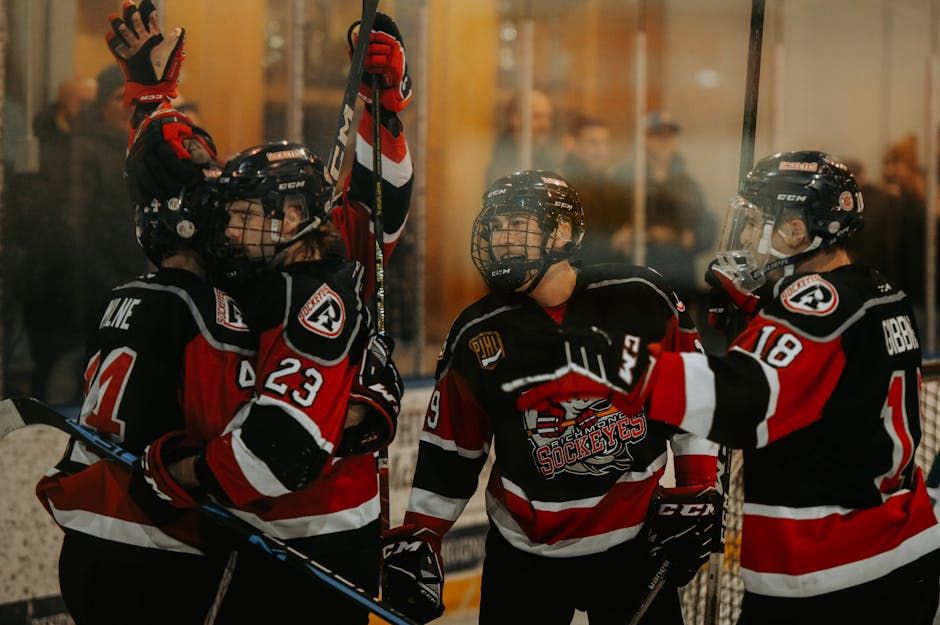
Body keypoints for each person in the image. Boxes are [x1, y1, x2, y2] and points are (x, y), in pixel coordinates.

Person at [517, 151, 940, 625]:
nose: (746, 237)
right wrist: (760, 312)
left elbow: (741, 401)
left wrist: (619, 362)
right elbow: (821, 375)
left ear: (797, 231)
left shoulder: (815, 304)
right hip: (898, 556)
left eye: (758, 223)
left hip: (831, 576)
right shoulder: (879, 292)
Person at [100, 3, 414, 624]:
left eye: (247, 213)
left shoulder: (333, 258)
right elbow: (171, 186)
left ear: (293, 215)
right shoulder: (244, 258)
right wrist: (151, 100)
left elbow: (383, 204)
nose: (230, 226)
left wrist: (386, 109)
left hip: (321, 527)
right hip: (242, 523)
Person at [381, 170, 718, 625]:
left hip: (634, 544)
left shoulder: (640, 297)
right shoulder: (477, 332)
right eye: (496, 226)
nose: (501, 239)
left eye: (517, 224)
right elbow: (451, 449)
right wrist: (423, 534)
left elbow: (694, 398)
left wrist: (697, 490)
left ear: (561, 231)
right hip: (524, 555)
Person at [35, 101, 254, 625]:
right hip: (155, 546)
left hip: (84, 541)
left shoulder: (120, 296)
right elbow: (227, 431)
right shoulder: (206, 311)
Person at [612, 110, 716, 302]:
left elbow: (707, 227)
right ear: (643, 140)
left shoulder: (687, 184)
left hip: (679, 283)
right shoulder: (623, 178)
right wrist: (618, 238)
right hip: (636, 279)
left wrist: (691, 238)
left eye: (670, 135)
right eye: (657, 135)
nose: (664, 141)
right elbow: (606, 230)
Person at [561, 115, 629, 265]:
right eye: (593, 143)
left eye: (605, 143)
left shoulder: (611, 185)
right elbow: (564, 243)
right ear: (574, 145)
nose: (601, 150)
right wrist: (610, 243)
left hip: (608, 267)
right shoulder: (563, 186)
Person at [485, 89, 562, 185]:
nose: (545, 124)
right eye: (537, 116)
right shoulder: (504, 155)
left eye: (548, 117)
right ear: (515, 118)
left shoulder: (548, 153)